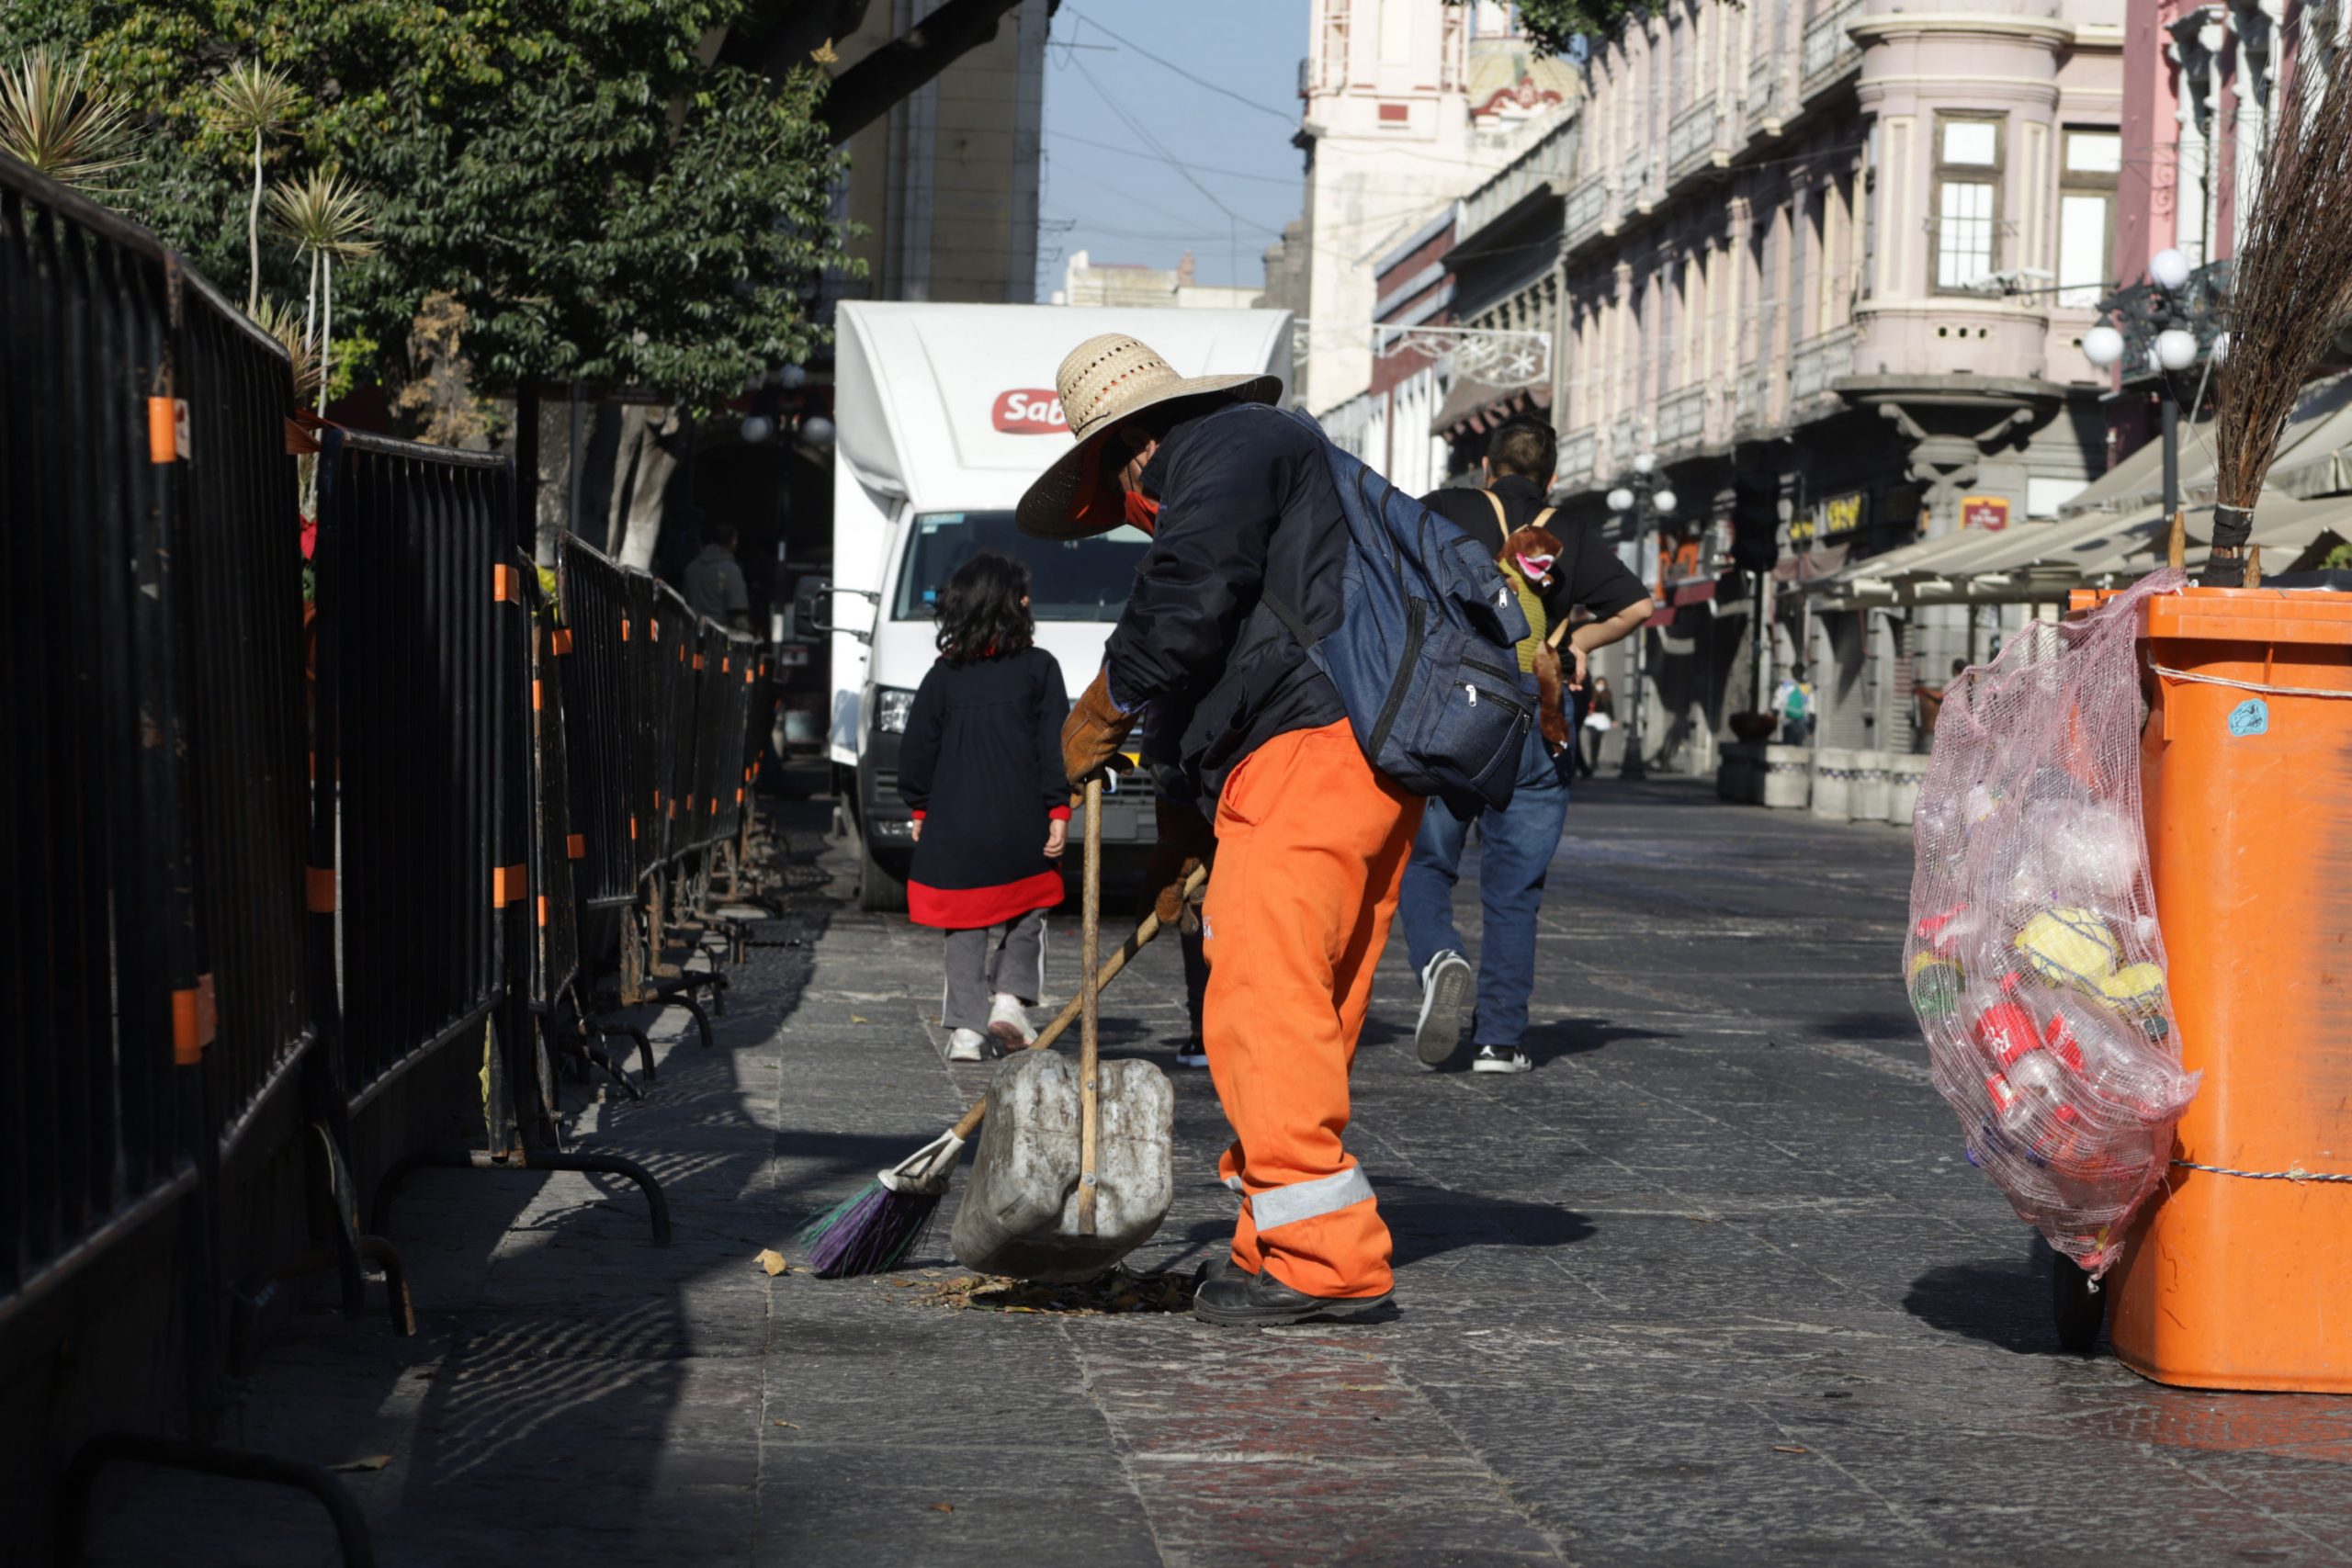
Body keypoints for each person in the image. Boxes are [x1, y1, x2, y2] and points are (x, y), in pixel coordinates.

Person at [1020, 332, 1409, 1328]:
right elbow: (1220, 654)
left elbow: (1184, 600)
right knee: (1305, 1009)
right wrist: (1187, 837)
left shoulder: (1224, 442)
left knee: (1260, 1002)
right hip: (1337, 753)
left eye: (1118, 498)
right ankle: (1272, 1236)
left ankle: (1323, 1260)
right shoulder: (1257, 454)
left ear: (1127, 448)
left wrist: (1098, 713)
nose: (1132, 520)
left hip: (1312, 750)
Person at [1398, 417, 1655, 1075]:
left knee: (1426, 862)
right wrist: (1575, 646)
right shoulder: (1569, 528)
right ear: (1553, 477)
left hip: (1454, 707)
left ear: (1486, 466)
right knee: (1515, 887)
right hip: (1538, 709)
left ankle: (1438, 958)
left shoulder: (1442, 509)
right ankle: (1499, 1040)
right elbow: (1637, 606)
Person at [894, 552, 1069, 1063]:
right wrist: (1058, 810)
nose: (1028, 600)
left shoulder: (944, 676)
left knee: (965, 923)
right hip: (1021, 822)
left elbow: (916, 749)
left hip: (955, 825)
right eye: (1022, 592)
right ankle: (1010, 1000)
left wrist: (920, 809)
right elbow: (1053, 746)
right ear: (1010, 605)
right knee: (1028, 909)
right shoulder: (1040, 668)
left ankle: (967, 1030)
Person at [684, 517, 752, 633]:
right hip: (719, 637)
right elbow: (738, 613)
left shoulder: (692, 567)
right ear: (733, 541)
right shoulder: (731, 570)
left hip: (692, 632)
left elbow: (685, 602)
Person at [1579, 675, 1613, 780]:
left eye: (1602, 684)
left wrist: (1613, 719)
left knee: (1597, 740)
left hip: (1602, 719)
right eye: (1599, 683)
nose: (1600, 686)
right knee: (1593, 738)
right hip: (1592, 718)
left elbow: (1610, 707)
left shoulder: (1607, 694)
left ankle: (1594, 760)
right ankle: (1592, 760)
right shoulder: (1591, 693)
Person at [1775, 661, 1815, 745]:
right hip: (1802, 722)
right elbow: (1812, 709)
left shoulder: (1786, 685)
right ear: (1803, 672)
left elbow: (1777, 704)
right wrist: (1812, 728)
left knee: (1787, 746)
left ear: (1792, 673)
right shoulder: (1808, 687)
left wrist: (1774, 717)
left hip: (1787, 720)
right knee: (1799, 748)